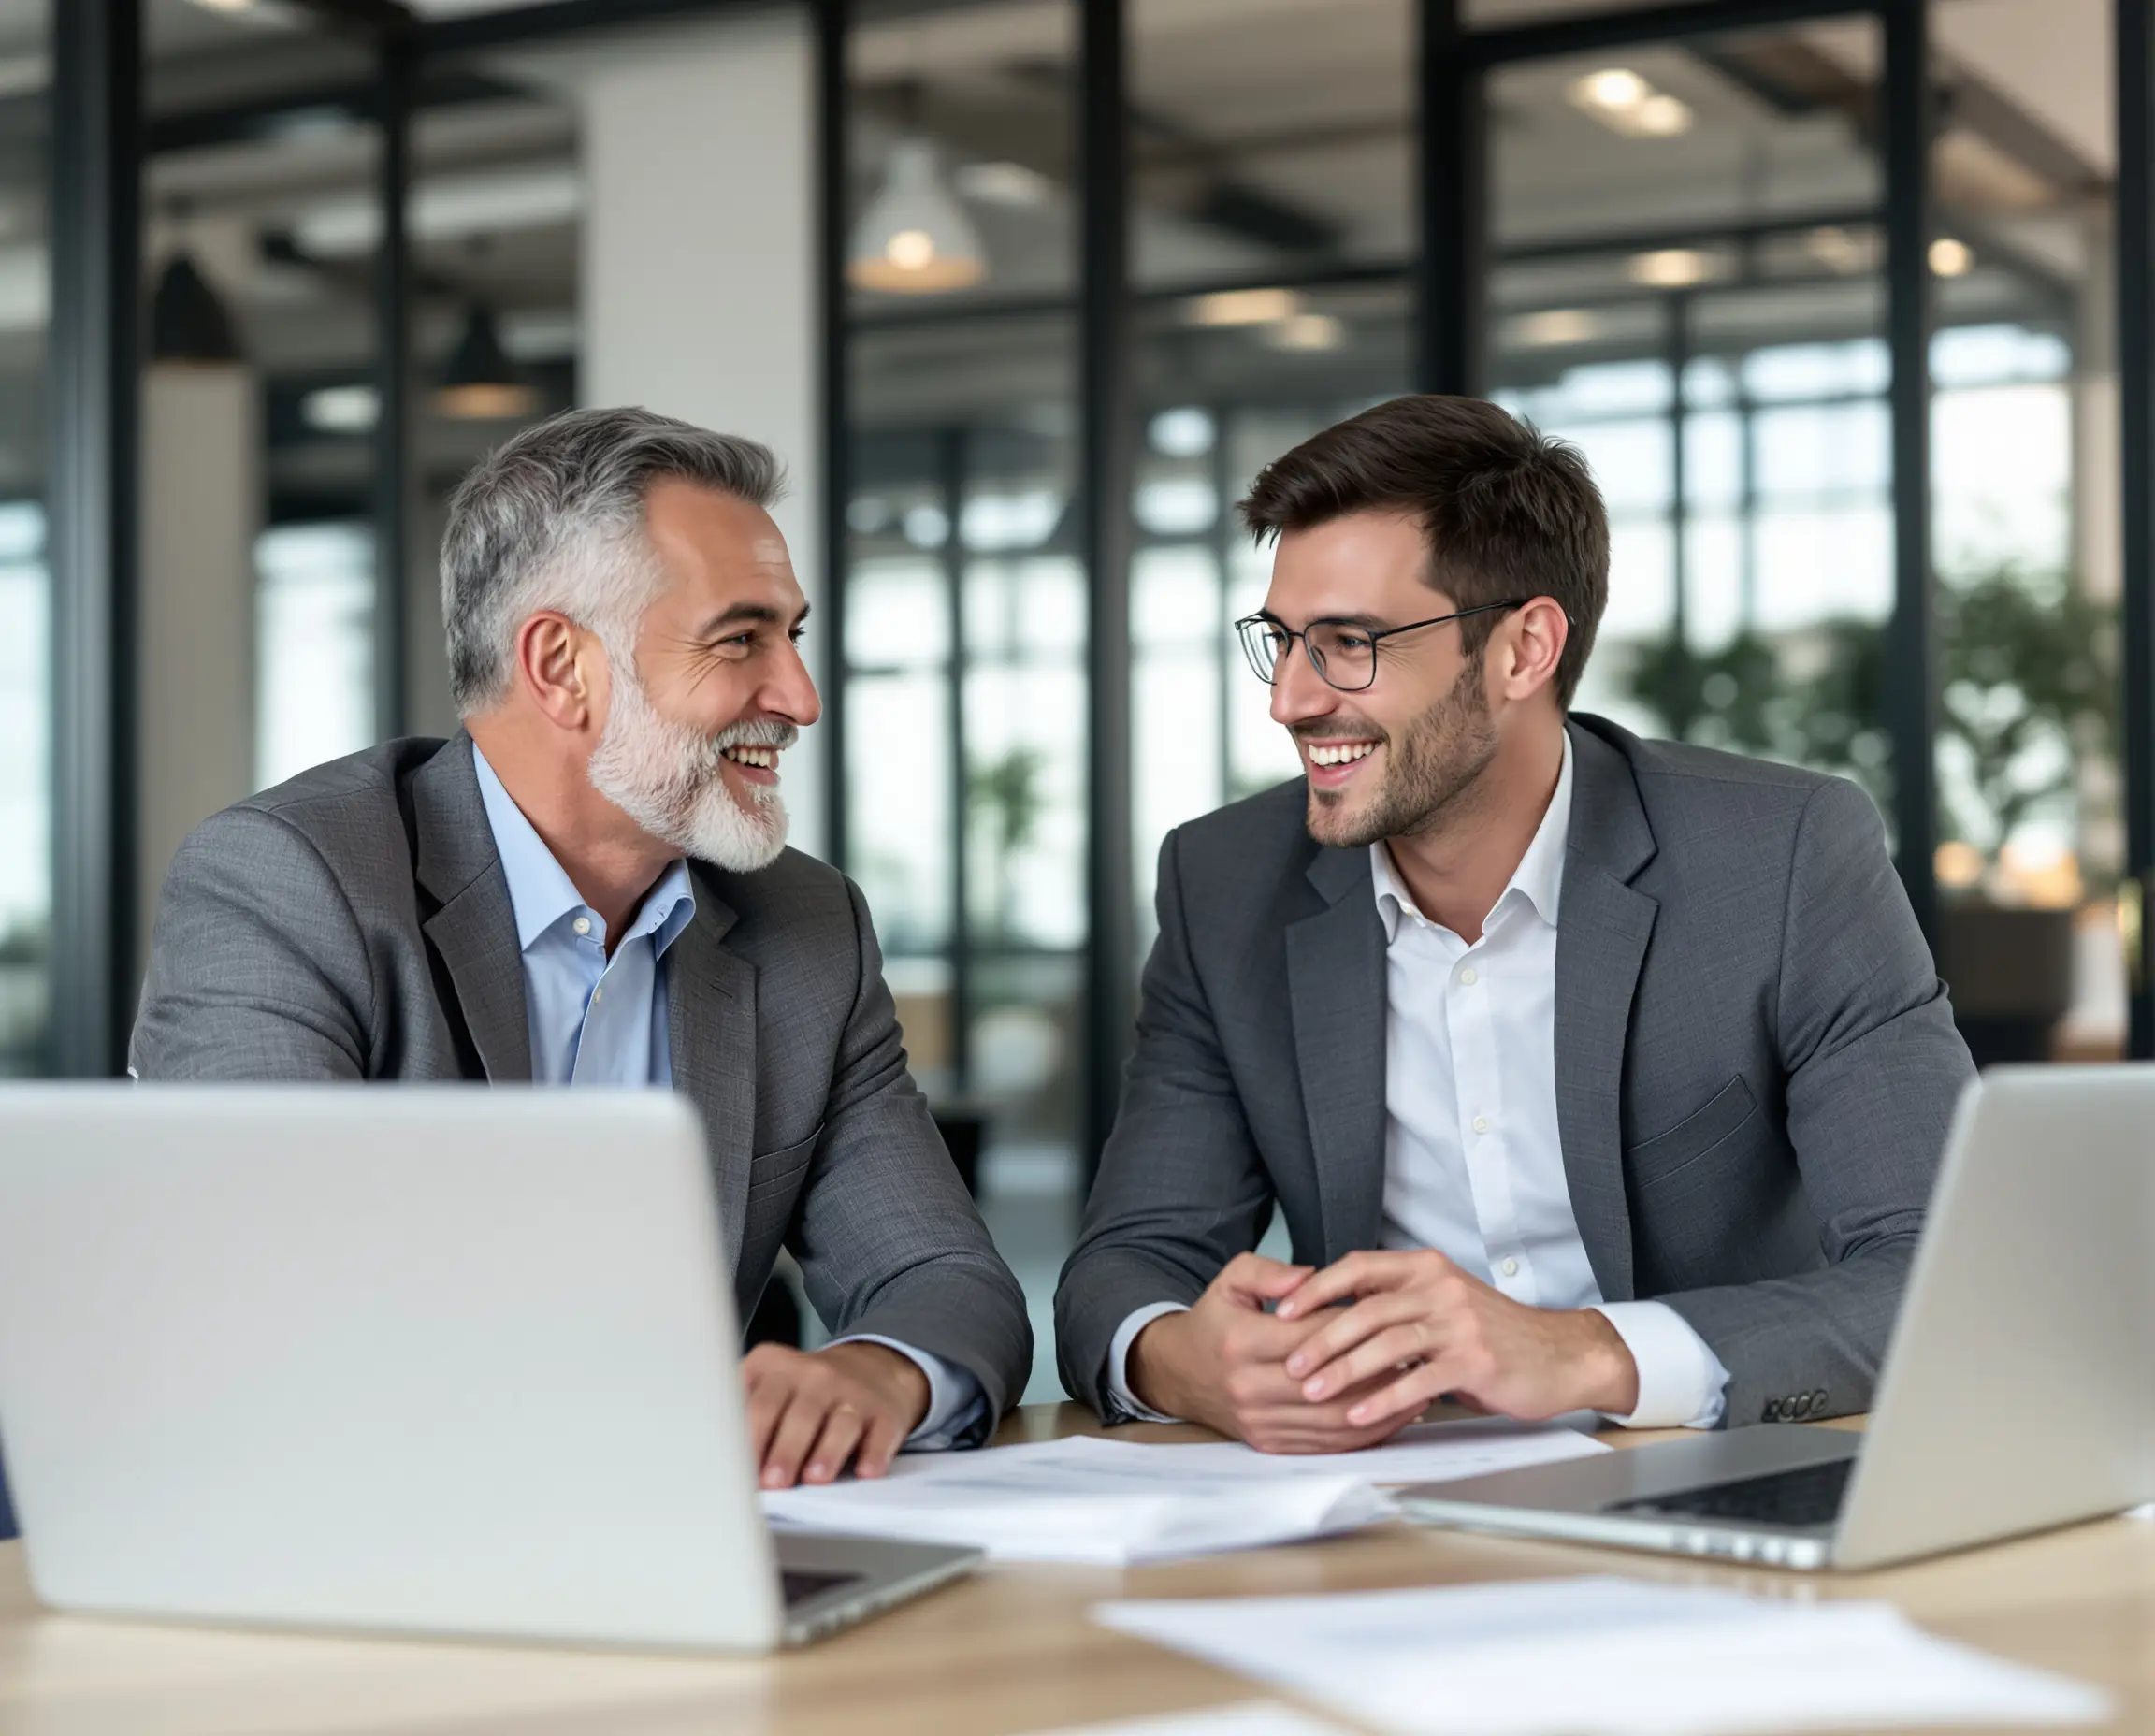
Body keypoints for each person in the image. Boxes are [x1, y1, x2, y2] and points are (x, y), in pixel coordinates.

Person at [134, 406, 1031, 1489]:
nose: (799, 697)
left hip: (683, 1536)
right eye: (739, 638)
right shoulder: (292, 883)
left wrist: (874, 1373)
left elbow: (948, 1276)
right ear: (562, 665)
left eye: (791, 636)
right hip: (357, 1525)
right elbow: (258, 1312)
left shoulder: (807, 925)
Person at [1055, 393, 1973, 1452]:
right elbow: (1123, 1266)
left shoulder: (1783, 859)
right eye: (1283, 641)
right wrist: (1191, 1361)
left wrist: (1580, 1353)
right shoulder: (1224, 885)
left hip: (1706, 1473)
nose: (1290, 701)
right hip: (1382, 1496)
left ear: (1524, 648)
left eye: (1350, 642)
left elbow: (1943, 1270)